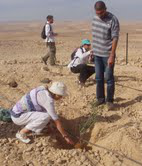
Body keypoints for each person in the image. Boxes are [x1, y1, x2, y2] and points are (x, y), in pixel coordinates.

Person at [10, 82, 74, 145]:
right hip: (18, 117)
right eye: (60, 96)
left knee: (47, 115)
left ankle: (39, 126)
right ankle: (21, 133)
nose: (61, 98)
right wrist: (66, 136)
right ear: (55, 94)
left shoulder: (43, 88)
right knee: (46, 116)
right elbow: (57, 122)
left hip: (17, 112)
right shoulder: (48, 101)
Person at [92, 1, 120, 109]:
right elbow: (95, 35)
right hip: (97, 54)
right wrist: (93, 51)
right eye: (98, 13)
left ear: (105, 9)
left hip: (107, 54)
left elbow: (115, 38)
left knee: (108, 78)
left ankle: (109, 101)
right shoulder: (95, 18)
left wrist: (112, 55)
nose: (99, 15)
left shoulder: (113, 19)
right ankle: (100, 99)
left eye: (101, 12)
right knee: (98, 78)